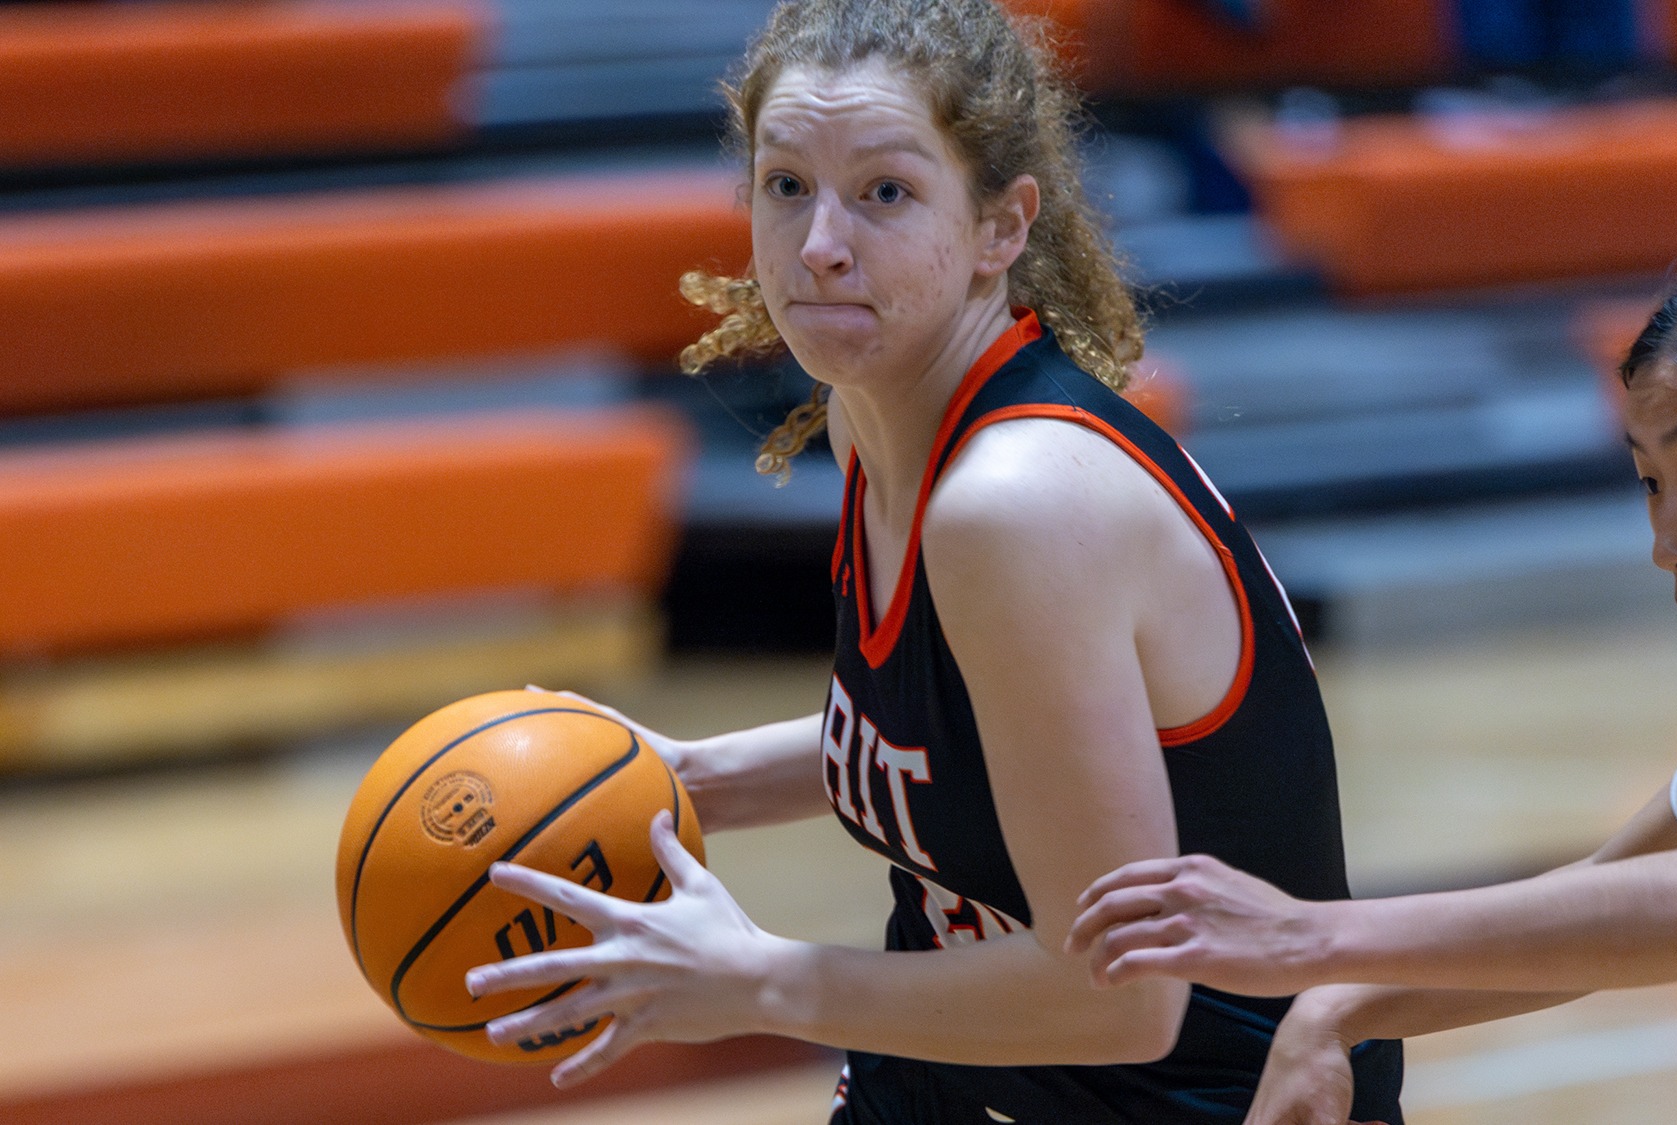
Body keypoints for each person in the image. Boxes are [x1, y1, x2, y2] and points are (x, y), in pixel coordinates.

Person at [461, 1, 1405, 1121]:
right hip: (957, 1081)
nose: (818, 243)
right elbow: (959, 738)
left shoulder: (1014, 505)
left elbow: (1122, 997)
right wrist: (683, 780)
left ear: (1001, 229)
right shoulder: (884, 415)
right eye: (785, 186)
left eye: (884, 193)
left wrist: (757, 977)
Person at [1064, 235, 1677, 1122]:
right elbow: (1598, 924)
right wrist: (1336, 1007)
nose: (1668, 545)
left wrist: (1306, 936)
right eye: (1650, 484)